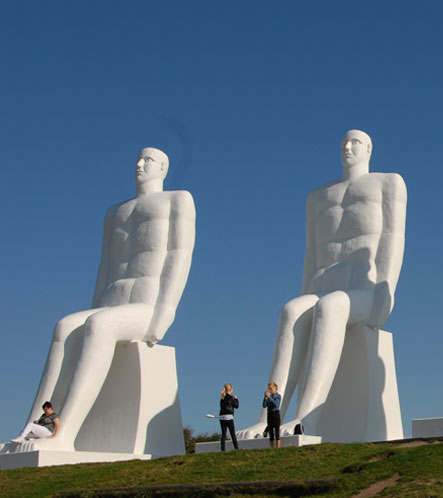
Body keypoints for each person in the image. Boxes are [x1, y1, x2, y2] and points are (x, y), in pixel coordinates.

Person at [18, 148, 195, 452]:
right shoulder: (114, 212)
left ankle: (66, 432)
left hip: (144, 304)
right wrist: (91, 308)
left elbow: (180, 255)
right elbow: (106, 264)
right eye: (138, 159)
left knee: (100, 325)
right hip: (109, 300)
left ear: (163, 167)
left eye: (148, 160)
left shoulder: (177, 200)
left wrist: (165, 311)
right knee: (64, 327)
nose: (139, 164)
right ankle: (31, 428)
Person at [237, 130, 406, 439]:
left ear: (369, 148)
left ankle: (307, 416)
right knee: (291, 310)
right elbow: (311, 255)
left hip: (365, 293)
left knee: (332, 306)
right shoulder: (318, 197)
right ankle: (267, 417)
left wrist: (385, 294)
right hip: (322, 288)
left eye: (355, 142)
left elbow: (393, 240)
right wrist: (305, 298)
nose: (347, 146)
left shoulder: (387, 182)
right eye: (344, 142)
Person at [219, 384, 239, 451]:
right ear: (231, 390)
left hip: (222, 417)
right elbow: (236, 406)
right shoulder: (231, 398)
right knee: (232, 434)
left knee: (223, 434)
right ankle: (236, 448)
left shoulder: (222, 398)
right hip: (229, 417)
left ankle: (223, 449)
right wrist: (236, 399)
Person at [262, 382, 282, 448]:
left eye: (271, 389)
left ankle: (278, 447)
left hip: (275, 413)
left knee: (277, 431)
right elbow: (264, 405)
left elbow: (276, 404)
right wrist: (265, 398)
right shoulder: (269, 397)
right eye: (269, 389)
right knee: (270, 431)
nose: (270, 390)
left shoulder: (278, 396)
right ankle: (272, 447)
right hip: (269, 414)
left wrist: (269, 398)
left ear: (275, 388)